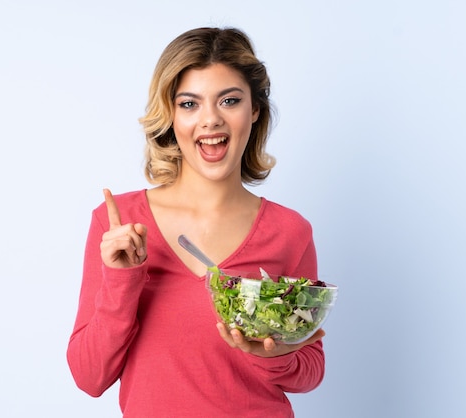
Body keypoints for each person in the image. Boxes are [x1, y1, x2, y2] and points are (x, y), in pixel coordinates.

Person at [67, 27, 327, 418]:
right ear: (170, 114)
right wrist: (122, 281)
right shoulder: (118, 224)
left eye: (229, 100)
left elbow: (311, 369)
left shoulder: (290, 231)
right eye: (189, 104)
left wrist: (271, 355)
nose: (210, 120)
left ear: (254, 110)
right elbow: (90, 377)